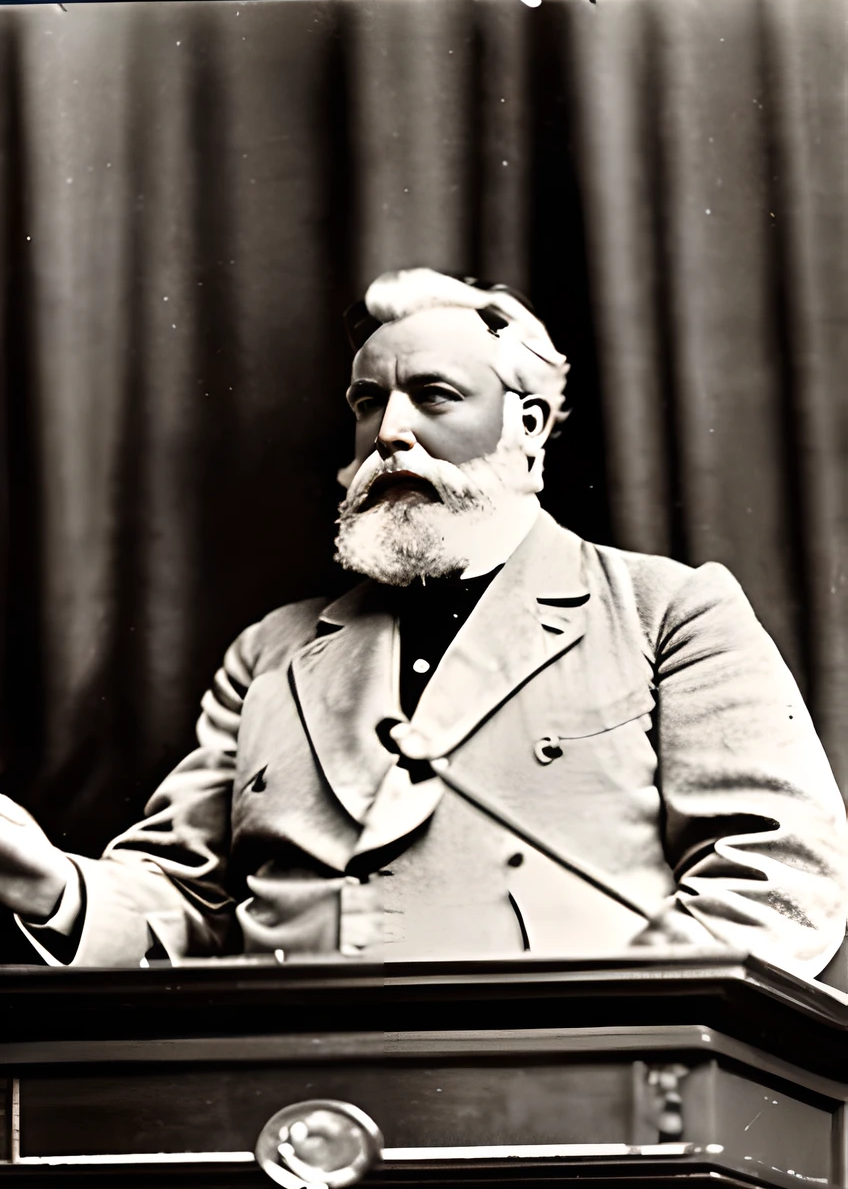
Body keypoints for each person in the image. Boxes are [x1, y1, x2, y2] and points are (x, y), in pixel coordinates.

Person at [1, 268, 845, 974]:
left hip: (571, 1106)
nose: (391, 433)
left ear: (529, 427)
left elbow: (775, 879)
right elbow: (188, 904)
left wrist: (606, 1039)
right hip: (294, 1106)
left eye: (435, 396)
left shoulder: (670, 613)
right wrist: (48, 884)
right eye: (369, 402)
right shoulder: (272, 652)